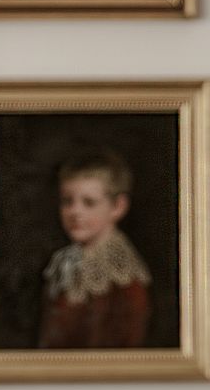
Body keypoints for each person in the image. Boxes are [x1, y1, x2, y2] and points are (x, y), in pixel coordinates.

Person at [38, 148, 152, 349]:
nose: (75, 212)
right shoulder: (64, 262)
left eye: (89, 203)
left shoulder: (125, 280)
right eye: (67, 202)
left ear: (118, 207)